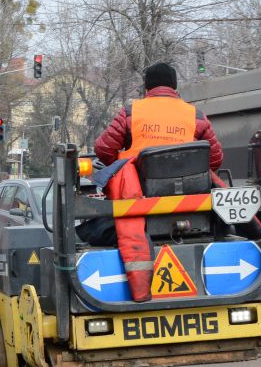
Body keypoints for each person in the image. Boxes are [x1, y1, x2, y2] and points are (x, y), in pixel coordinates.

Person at [90, 62, 223, 302]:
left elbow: (103, 149)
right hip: (191, 206)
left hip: (139, 201)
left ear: (147, 87)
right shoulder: (195, 114)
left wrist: (122, 164)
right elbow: (214, 159)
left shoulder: (132, 111)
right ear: (174, 86)